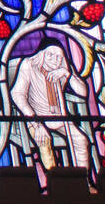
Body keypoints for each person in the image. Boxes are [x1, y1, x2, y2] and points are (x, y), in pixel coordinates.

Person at [11, 43, 94, 189]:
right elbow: (17, 94)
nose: (54, 60)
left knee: (81, 140)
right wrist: (36, 123)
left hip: (60, 118)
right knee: (44, 141)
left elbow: (83, 93)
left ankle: (84, 182)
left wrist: (67, 74)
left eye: (58, 57)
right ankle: (55, 185)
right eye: (50, 55)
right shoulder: (28, 65)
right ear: (41, 54)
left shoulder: (62, 67)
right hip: (35, 118)